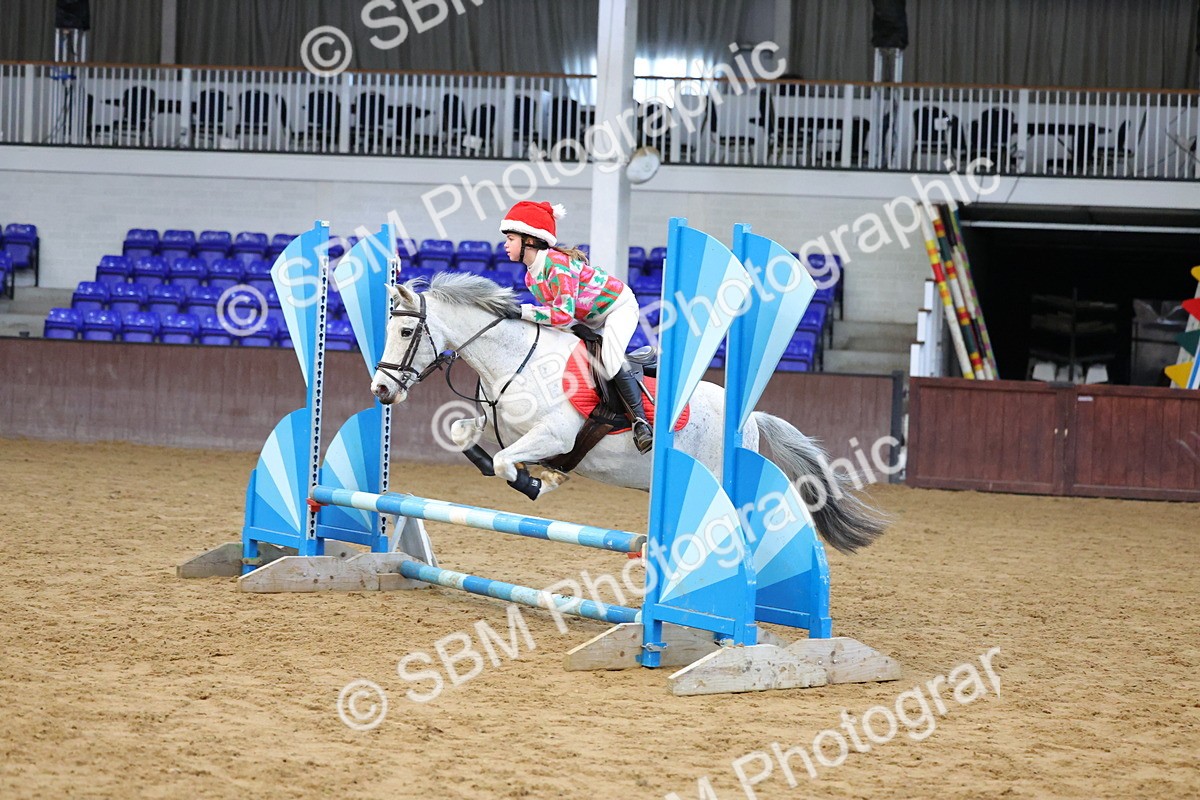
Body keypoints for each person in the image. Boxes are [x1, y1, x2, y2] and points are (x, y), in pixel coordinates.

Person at [499, 200, 652, 454]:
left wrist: (521, 312)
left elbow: (561, 314)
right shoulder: (530, 276)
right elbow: (557, 320)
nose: (505, 244)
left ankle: (641, 423)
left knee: (611, 361)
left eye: (511, 238)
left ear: (530, 240)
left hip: (617, 308)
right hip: (586, 319)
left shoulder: (556, 266)